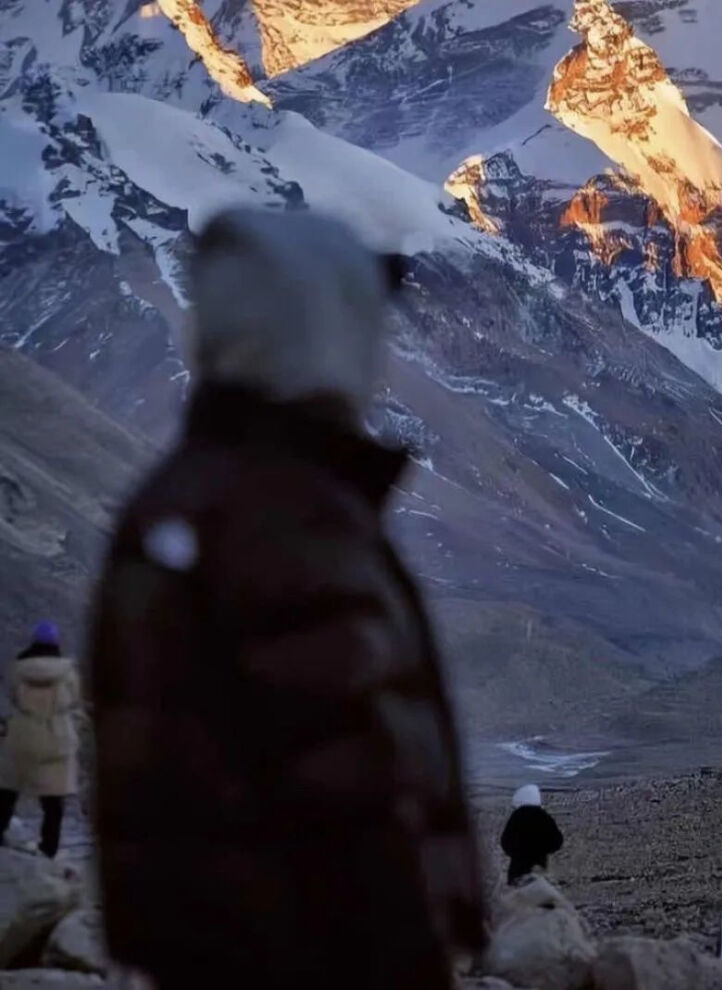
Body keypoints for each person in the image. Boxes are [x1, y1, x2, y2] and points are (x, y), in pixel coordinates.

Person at [88, 208, 483, 990]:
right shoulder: (284, 521)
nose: (375, 349)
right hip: (313, 958)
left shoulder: (196, 497)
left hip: (218, 954)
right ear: (312, 331)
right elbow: (350, 789)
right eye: (357, 318)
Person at [0, 621, 81, 858]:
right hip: (57, 736)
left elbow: (13, 695)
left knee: (7, 789)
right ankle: (48, 849)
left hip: (22, 734)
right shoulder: (68, 672)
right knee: (53, 801)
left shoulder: (18, 669)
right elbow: (74, 698)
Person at [501, 784, 564, 885]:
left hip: (517, 871)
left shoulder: (516, 817)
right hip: (538, 868)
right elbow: (557, 841)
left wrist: (517, 853)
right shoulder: (544, 817)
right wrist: (542, 850)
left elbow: (505, 842)